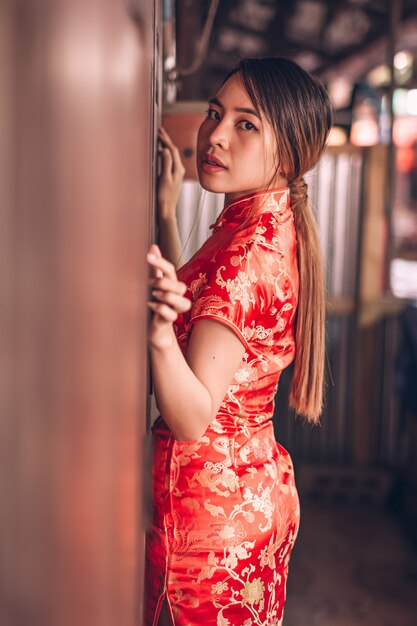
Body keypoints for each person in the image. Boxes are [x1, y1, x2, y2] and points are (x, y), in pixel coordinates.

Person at [145, 57, 332, 626]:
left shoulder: (247, 254)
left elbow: (192, 416)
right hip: (246, 496)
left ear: (289, 150)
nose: (216, 135)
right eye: (214, 113)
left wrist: (154, 332)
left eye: (246, 124)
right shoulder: (261, 225)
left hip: (210, 527)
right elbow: (201, 316)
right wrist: (164, 214)